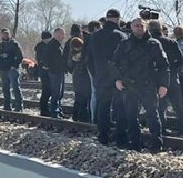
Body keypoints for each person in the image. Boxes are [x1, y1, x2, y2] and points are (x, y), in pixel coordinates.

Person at [110, 18, 168, 151]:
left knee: (152, 114)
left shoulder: (154, 44)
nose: (139, 28)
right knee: (131, 115)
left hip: (148, 84)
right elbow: (114, 63)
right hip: (129, 85)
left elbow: (164, 66)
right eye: (136, 26)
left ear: (146, 27)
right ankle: (135, 143)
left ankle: (157, 144)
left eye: (141, 26)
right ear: (131, 27)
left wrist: (164, 84)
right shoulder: (124, 44)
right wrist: (117, 80)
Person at [86, 9, 128, 145]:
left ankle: (103, 135)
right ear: (118, 19)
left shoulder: (94, 36)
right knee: (120, 107)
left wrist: (95, 74)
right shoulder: (121, 36)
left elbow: (89, 59)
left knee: (103, 107)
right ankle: (120, 137)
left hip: (101, 76)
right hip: (118, 78)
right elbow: (125, 59)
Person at [150, 19, 183, 136]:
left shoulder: (149, 43)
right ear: (160, 28)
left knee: (160, 106)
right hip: (172, 78)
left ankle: (162, 130)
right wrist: (174, 70)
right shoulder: (171, 42)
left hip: (156, 79)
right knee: (178, 105)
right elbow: (181, 59)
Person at [34, 29, 66, 117]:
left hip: (54, 71)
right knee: (49, 92)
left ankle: (57, 110)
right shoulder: (45, 46)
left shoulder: (57, 45)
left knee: (57, 93)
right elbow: (43, 60)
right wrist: (47, 66)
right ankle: (48, 111)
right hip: (48, 72)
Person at [67, 23, 92, 123]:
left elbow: (68, 61)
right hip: (82, 73)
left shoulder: (72, 42)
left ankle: (77, 115)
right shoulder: (87, 41)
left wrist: (74, 62)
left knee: (80, 96)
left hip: (79, 73)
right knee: (83, 96)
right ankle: (82, 117)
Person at [0, 28, 24, 111]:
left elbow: (20, 56)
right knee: (5, 88)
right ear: (1, 34)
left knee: (15, 87)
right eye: (4, 33)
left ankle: (19, 106)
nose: (5, 35)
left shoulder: (14, 44)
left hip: (12, 69)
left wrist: (15, 65)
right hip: (3, 69)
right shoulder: (0, 45)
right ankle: (7, 106)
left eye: (7, 33)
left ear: (9, 34)